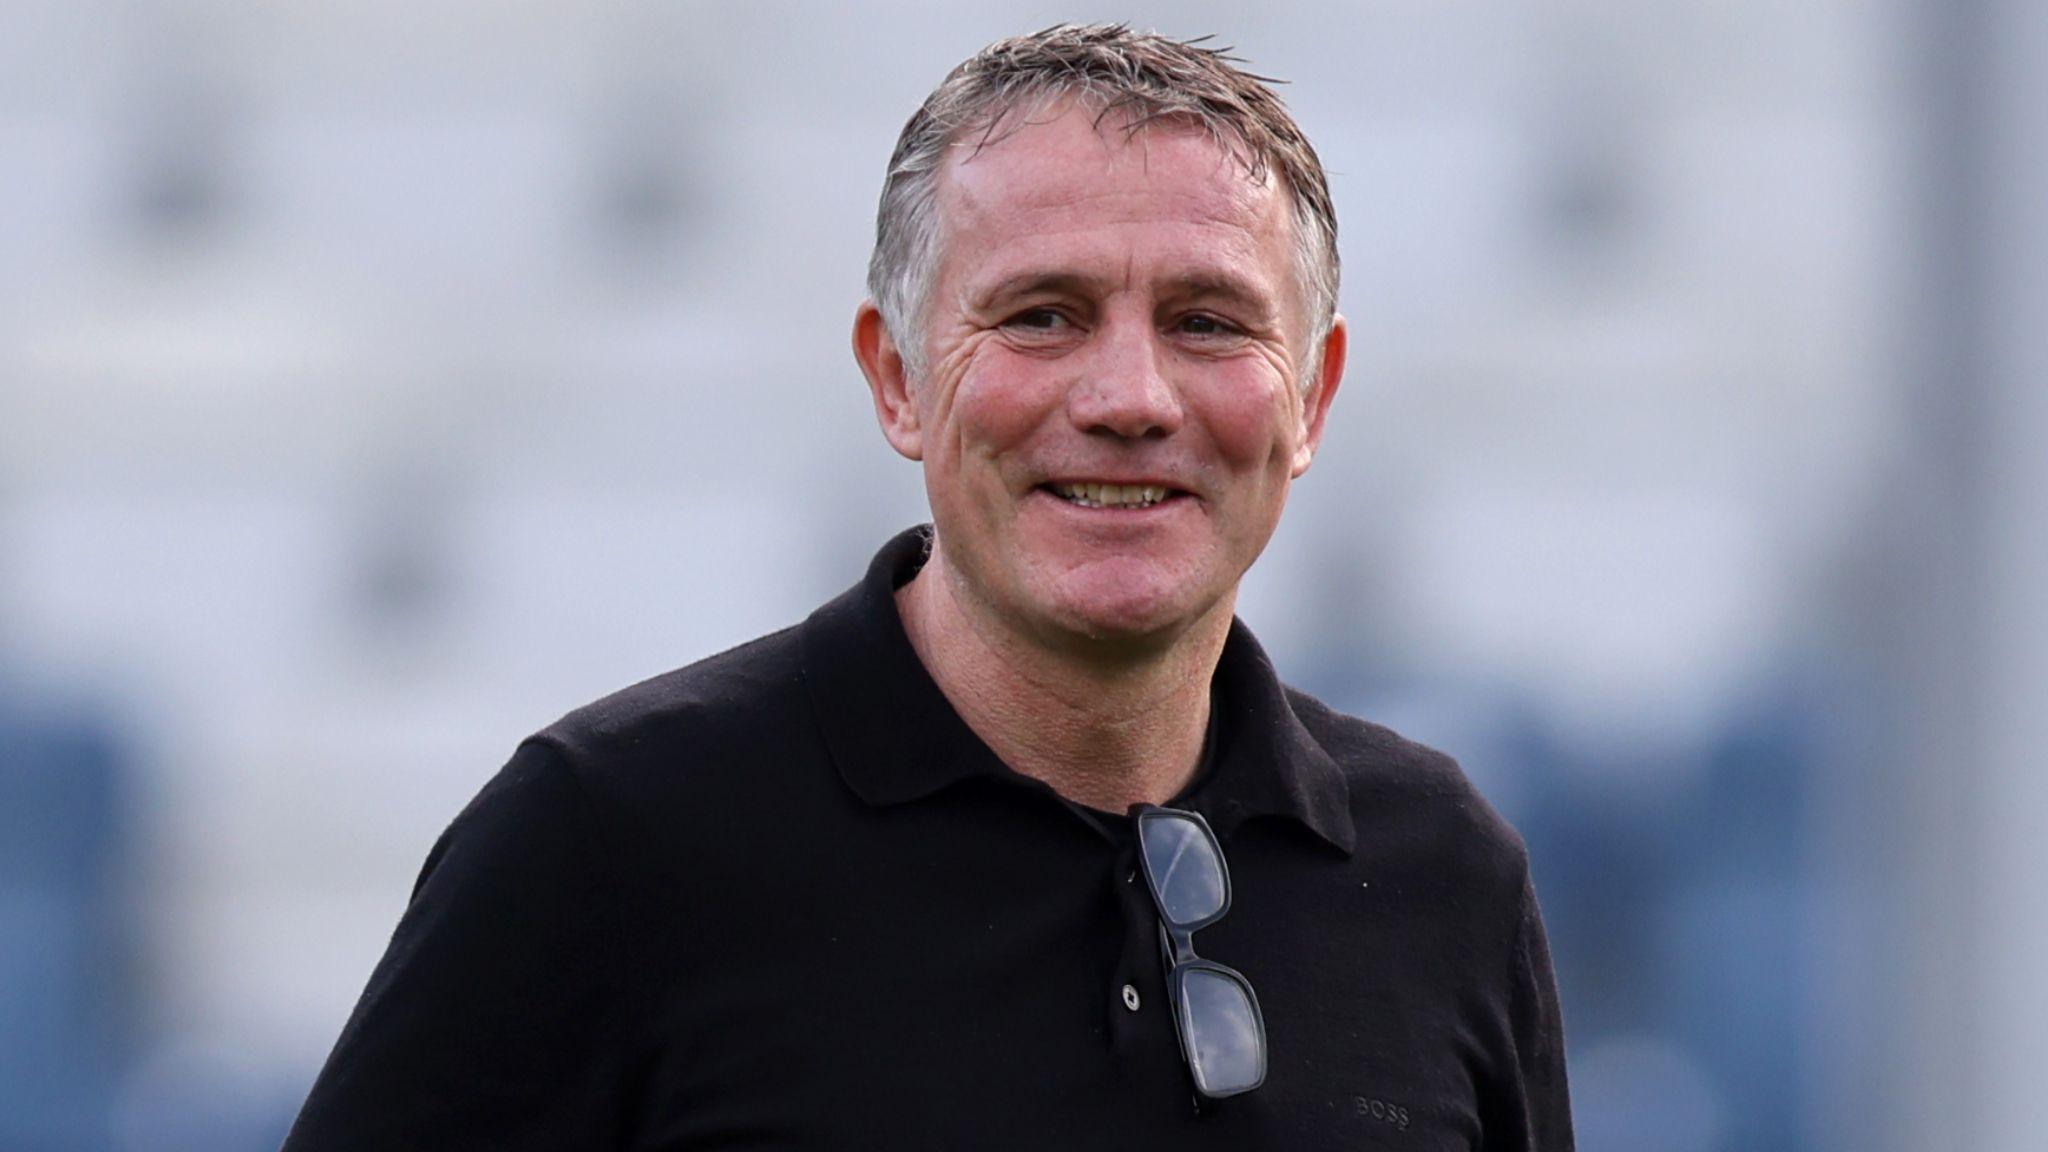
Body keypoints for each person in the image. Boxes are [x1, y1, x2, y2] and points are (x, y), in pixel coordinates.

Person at [283, 24, 1572, 1150]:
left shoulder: (1443, 875)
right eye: (1043, 316)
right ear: (897, 378)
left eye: (1208, 322)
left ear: (1315, 396)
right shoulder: (603, 844)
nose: (1129, 398)